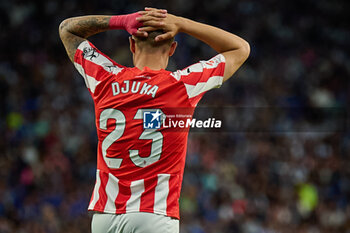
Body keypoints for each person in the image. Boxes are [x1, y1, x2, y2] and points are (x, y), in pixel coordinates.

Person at [59, 7, 250, 233]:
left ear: (131, 45)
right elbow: (240, 48)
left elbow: (66, 29)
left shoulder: (104, 77)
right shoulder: (182, 85)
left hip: (105, 216)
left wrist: (122, 21)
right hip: (154, 216)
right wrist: (181, 23)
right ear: (172, 49)